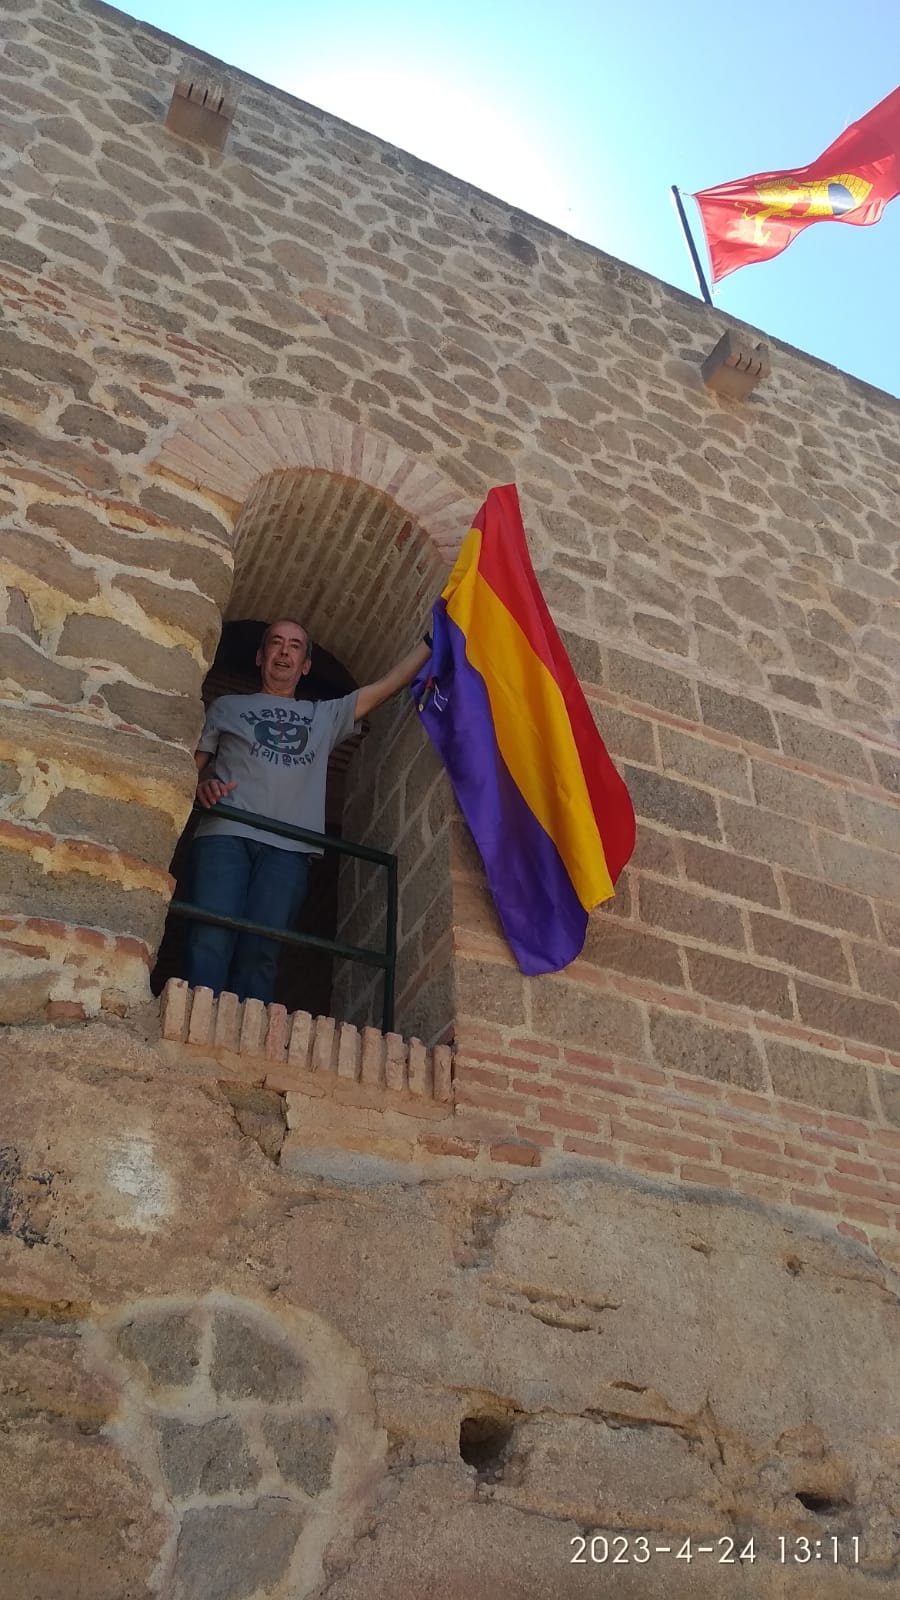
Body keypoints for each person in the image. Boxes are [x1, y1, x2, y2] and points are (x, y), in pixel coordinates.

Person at [182, 618, 430, 1003]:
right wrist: (202, 787)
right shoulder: (227, 706)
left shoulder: (324, 717)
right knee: (210, 934)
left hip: (289, 849)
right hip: (226, 833)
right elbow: (187, 771)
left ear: (306, 665)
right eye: (276, 643)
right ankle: (192, 1017)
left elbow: (385, 687)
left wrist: (432, 640)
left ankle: (242, 1033)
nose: (285, 651)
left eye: (295, 646)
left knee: (263, 947)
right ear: (261, 656)